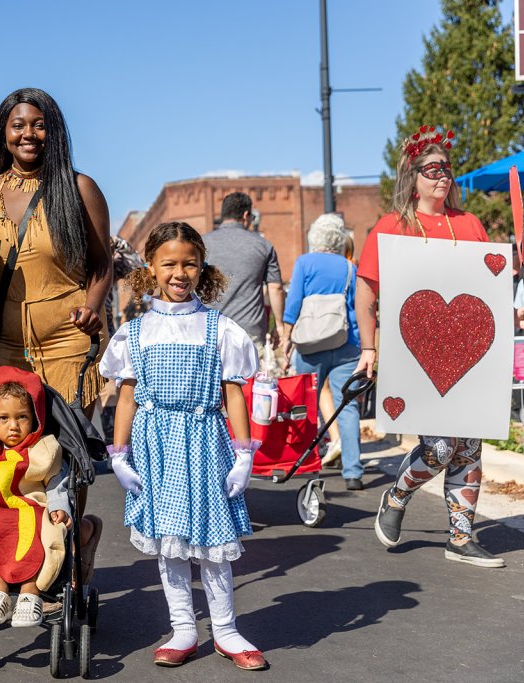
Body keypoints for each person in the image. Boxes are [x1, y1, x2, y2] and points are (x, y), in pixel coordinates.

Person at [0, 87, 111, 580]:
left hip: (67, 341)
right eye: (18, 125)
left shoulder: (79, 187)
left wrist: (91, 307)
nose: (29, 134)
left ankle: (70, 543)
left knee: (62, 451)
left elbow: (103, 263)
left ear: (54, 131)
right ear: (3, 133)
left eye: (39, 125)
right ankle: (16, 554)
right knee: (8, 447)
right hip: (4, 342)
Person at [360, 127, 524, 568]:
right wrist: (369, 348)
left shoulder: (470, 224)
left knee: (469, 444)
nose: (442, 177)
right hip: (417, 353)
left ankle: (461, 537)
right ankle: (397, 496)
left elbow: (485, 292)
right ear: (413, 176)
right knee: (439, 447)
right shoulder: (392, 226)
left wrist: (513, 315)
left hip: (470, 354)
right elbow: (367, 290)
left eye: (447, 169)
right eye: (432, 169)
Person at [100, 222, 266, 670]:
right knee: (170, 542)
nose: (179, 272)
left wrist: (244, 452)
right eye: (169, 263)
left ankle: (227, 630)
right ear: (150, 267)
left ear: (202, 267)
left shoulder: (220, 328)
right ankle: (183, 628)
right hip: (157, 447)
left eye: (189, 263)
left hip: (206, 441)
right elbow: (127, 396)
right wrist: (118, 455)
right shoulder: (135, 332)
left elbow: (233, 393)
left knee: (213, 543)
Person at [0, 366, 71, 628]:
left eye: (22, 417)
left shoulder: (44, 450)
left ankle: (30, 594)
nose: (13, 426)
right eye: (3, 418)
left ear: (35, 418)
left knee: (42, 537)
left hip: (35, 508)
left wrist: (61, 508)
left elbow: (56, 485)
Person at [281, 214, 364, 490]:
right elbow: (357, 310)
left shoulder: (305, 263)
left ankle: (307, 461)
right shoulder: (349, 267)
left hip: (310, 345)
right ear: (339, 240)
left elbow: (293, 303)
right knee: (347, 405)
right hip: (345, 344)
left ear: (314, 237)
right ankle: (353, 472)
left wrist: (286, 338)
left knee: (305, 403)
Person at [203, 192, 286, 352]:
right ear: (246, 215)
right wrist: (279, 325)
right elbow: (275, 288)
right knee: (248, 378)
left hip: (210, 331)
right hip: (249, 333)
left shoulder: (202, 243)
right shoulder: (263, 246)